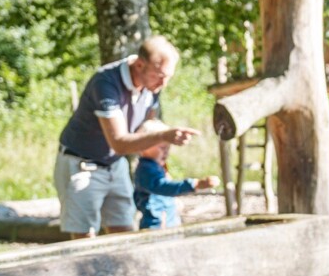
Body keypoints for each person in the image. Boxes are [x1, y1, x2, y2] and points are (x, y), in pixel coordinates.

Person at [55, 36, 199, 239]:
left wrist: (159, 165)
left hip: (115, 163)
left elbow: (146, 129)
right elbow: (120, 143)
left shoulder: (152, 87)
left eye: (168, 77)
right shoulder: (105, 83)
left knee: (124, 233)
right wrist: (165, 135)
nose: (163, 83)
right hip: (81, 164)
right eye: (159, 76)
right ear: (140, 65)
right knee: (84, 238)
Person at [132, 120, 217, 229]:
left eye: (168, 147)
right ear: (143, 147)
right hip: (156, 224)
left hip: (168, 221)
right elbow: (163, 187)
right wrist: (194, 184)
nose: (166, 152)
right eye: (162, 148)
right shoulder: (146, 170)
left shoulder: (156, 166)